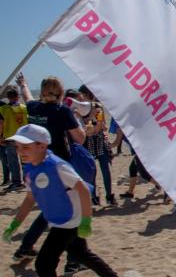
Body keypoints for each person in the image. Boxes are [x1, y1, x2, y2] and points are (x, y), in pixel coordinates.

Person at [1, 124, 117, 276]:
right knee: (82, 254)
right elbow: (30, 198)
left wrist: (86, 221)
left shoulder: (57, 166)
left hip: (69, 221)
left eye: (26, 147)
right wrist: (15, 224)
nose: (20, 152)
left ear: (42, 146)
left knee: (43, 264)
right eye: (18, 147)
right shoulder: (30, 169)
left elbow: (82, 189)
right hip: (58, 219)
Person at [14, 74, 89, 273]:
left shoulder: (34, 108)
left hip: (38, 164)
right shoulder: (62, 110)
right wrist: (83, 124)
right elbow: (80, 139)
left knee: (49, 208)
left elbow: (28, 97)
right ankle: (74, 260)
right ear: (61, 93)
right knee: (74, 209)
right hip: (59, 166)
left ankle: (25, 246)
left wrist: (23, 84)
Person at [78, 85, 116, 206]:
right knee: (91, 171)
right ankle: (94, 197)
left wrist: (92, 128)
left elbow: (101, 124)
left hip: (97, 141)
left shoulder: (97, 106)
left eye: (82, 94)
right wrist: (91, 122)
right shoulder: (81, 108)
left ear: (86, 94)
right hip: (88, 142)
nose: (80, 97)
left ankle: (109, 196)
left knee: (104, 169)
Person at [0, 86, 28, 191]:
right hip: (23, 136)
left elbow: (1, 124)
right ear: (17, 96)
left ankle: (17, 182)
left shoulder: (3, 109)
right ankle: (26, 180)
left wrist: (0, 136)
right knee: (25, 159)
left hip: (10, 136)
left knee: (13, 161)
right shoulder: (24, 108)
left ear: (8, 97)